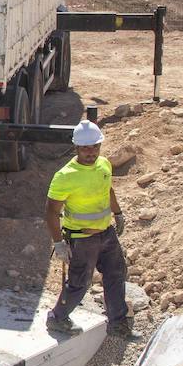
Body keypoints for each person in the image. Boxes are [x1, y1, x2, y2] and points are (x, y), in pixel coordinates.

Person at [44, 118, 135, 338]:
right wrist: (59, 242)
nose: (91, 152)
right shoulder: (65, 176)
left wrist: (118, 214)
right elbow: (51, 212)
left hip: (106, 233)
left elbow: (108, 191)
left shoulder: (104, 164)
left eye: (95, 147)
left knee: (116, 273)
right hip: (82, 239)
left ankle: (118, 322)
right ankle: (58, 318)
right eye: (85, 148)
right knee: (79, 283)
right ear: (76, 147)